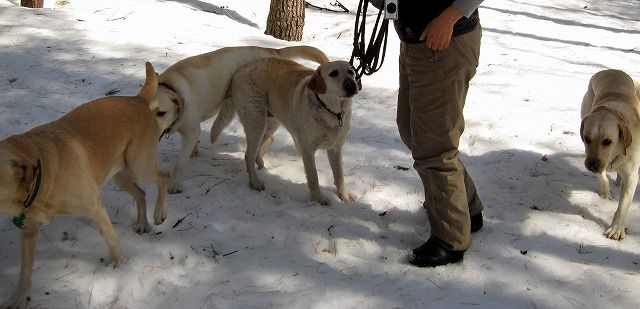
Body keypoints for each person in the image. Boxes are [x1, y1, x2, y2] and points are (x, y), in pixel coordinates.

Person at [371, 0, 485, 267]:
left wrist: (448, 18)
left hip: (445, 41)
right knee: (412, 129)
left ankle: (450, 238)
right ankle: (466, 208)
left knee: (434, 146)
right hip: (416, 42)